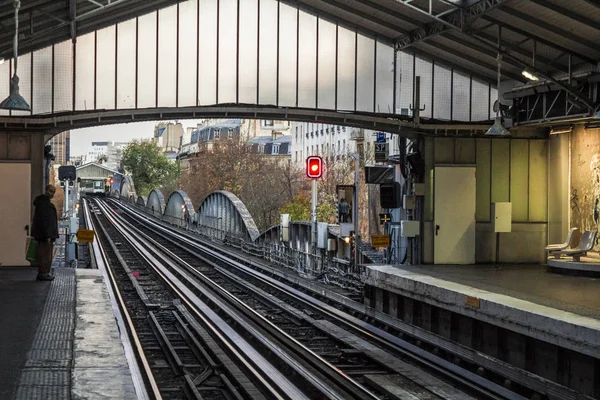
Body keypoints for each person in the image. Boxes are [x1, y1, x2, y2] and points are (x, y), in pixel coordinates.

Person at [31, 184, 59, 281]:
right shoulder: (44, 203)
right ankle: (43, 273)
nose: (51, 194)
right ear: (46, 190)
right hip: (45, 235)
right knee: (45, 254)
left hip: (45, 234)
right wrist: (47, 234)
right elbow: (45, 220)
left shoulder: (42, 202)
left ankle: (45, 272)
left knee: (45, 254)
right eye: (51, 191)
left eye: (53, 192)